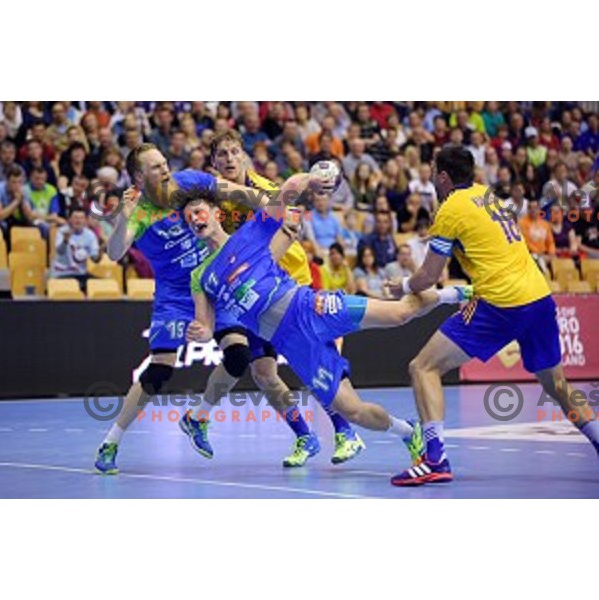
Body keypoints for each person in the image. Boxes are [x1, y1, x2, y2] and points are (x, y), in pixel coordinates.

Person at [182, 181, 472, 472]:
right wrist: (200, 332)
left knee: (399, 314)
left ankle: (453, 294)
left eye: (198, 212)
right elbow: (206, 326)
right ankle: (409, 432)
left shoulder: (251, 230)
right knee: (353, 411)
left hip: (312, 307)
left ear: (217, 213)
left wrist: (314, 176)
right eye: (188, 218)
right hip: (293, 345)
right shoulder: (201, 276)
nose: (195, 219)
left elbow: (291, 188)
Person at [93, 142, 340, 474]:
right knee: (160, 370)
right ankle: (111, 441)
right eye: (155, 167)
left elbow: (238, 193)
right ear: (138, 176)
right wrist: (123, 215)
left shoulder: (187, 182)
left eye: (165, 162)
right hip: (175, 294)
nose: (165, 170)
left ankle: (199, 418)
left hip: (214, 278)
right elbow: (114, 251)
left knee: (239, 357)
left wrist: (278, 206)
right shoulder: (137, 212)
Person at [388, 146, 599, 487]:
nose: (429, 173)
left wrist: (403, 285)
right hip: (539, 295)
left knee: (422, 366)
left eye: (432, 168)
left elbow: (427, 276)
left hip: (502, 302)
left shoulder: (451, 208)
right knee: (557, 385)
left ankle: (435, 459)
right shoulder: (486, 195)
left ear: (443, 177)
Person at [199, 130, 364, 466]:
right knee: (262, 371)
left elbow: (291, 225)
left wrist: (257, 267)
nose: (229, 159)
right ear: (213, 162)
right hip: (257, 296)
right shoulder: (212, 202)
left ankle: (346, 431)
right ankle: (305, 436)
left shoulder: (263, 189)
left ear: (243, 156)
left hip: (292, 285)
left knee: (313, 363)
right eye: (222, 155)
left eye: (234, 152)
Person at [50, 208, 100, 291]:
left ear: (85, 220)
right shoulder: (62, 231)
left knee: (99, 286)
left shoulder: (90, 235)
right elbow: (60, 251)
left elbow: (95, 258)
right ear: (69, 219)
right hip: (62, 274)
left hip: (81, 274)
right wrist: (65, 241)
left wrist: (101, 249)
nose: (78, 221)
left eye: (81, 218)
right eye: (75, 217)